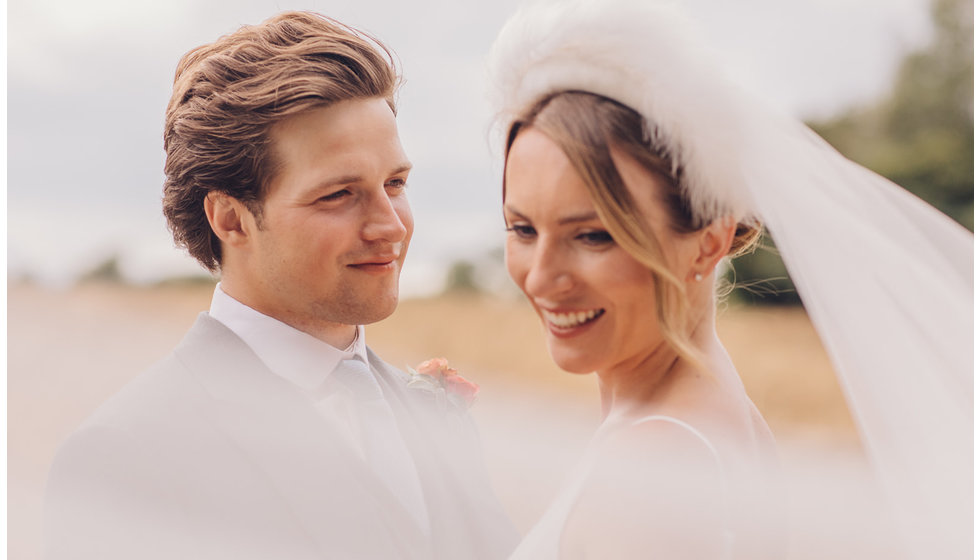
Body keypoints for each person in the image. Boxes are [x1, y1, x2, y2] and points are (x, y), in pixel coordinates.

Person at [487, 0, 972, 558]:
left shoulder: (650, 476)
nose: (542, 277)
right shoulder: (710, 414)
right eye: (522, 229)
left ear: (710, 241)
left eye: (593, 236)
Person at [42, 11, 517, 560]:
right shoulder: (123, 458)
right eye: (339, 194)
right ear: (229, 219)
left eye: (395, 183)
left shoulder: (436, 416)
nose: (390, 224)